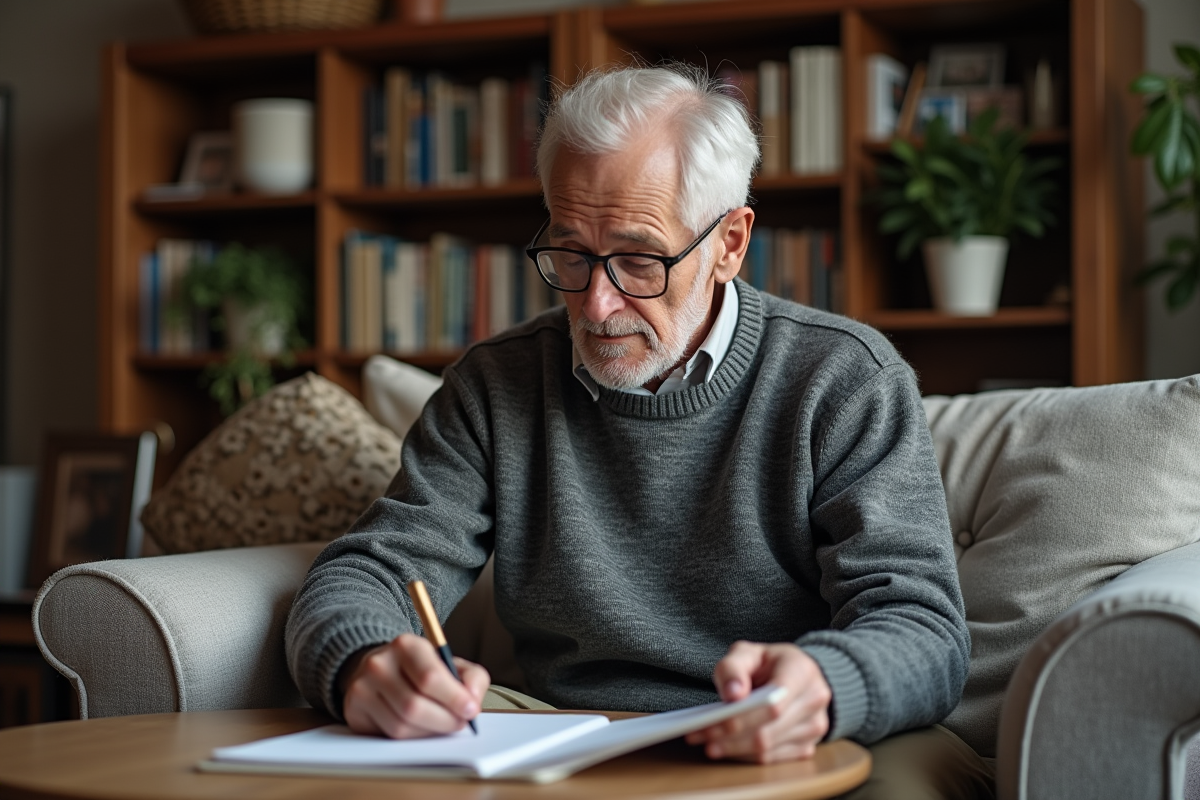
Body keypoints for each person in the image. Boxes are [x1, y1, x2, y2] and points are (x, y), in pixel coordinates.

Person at [286, 64, 992, 798]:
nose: (596, 305)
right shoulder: (496, 384)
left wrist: (825, 685)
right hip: (571, 732)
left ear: (729, 242)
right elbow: (368, 571)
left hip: (793, 733)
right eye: (571, 253)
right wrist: (363, 663)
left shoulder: (844, 379)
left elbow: (923, 629)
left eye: (638, 260)